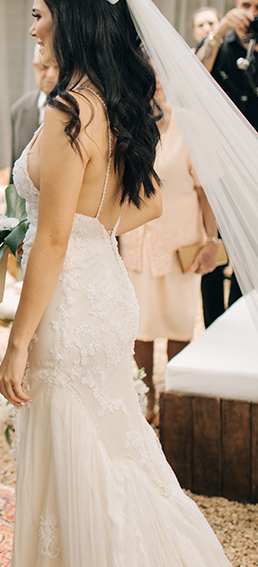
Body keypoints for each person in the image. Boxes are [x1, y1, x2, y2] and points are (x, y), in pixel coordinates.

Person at [0, 0, 258, 567]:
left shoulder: (64, 111)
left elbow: (50, 241)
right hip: (106, 287)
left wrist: (17, 340)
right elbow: (142, 206)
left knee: (84, 474)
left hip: (70, 300)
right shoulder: (122, 100)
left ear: (71, 16)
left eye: (39, 13)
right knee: (118, 464)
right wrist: (82, 228)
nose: (32, 27)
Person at [119, 85, 219, 422]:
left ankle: (175, 402)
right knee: (139, 326)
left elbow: (206, 191)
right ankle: (146, 398)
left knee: (179, 323)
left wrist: (212, 241)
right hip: (136, 241)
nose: (154, 89)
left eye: (159, 81)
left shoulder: (191, 126)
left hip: (180, 244)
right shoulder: (125, 122)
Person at [196, 0, 258, 324]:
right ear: (236, 5)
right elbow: (189, 78)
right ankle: (211, 330)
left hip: (254, 174)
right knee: (214, 254)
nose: (251, 14)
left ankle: (238, 327)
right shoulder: (221, 45)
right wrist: (218, 32)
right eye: (246, 5)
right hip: (219, 171)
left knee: (249, 259)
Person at [9, 46, 59, 170]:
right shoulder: (19, 110)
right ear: (34, 66)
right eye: (44, 66)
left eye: (58, 67)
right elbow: (15, 168)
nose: (50, 74)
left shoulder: (78, 110)